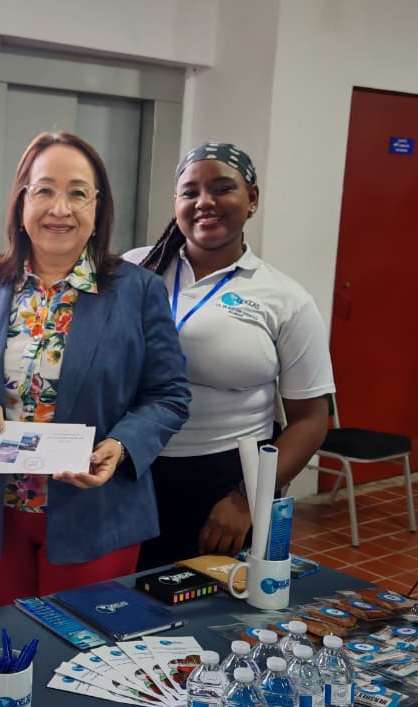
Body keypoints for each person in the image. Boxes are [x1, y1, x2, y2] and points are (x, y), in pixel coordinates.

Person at [0, 131, 191, 609]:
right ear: (21, 202)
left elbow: (169, 395)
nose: (60, 208)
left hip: (97, 510)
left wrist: (120, 447)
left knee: (82, 651)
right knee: (9, 645)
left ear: (98, 208)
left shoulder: (137, 292)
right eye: (44, 190)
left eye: (77, 192)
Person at [125, 142, 335, 568]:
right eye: (190, 192)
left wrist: (246, 499)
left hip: (223, 485)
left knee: (212, 618)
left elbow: (312, 421)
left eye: (222, 188)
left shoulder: (285, 299)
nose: (205, 202)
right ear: (176, 203)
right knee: (121, 610)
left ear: (252, 198)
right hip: (129, 470)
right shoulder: (133, 270)